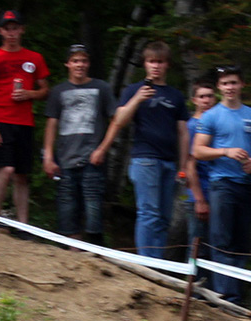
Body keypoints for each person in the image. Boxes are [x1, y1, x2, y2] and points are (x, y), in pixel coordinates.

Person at [94, 41, 190, 259]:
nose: (156, 66)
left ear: (167, 64)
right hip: (145, 158)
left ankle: (157, 263)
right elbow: (119, 120)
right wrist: (137, 98)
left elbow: (183, 133)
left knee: (164, 217)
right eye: (151, 61)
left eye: (160, 62)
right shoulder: (133, 90)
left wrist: (183, 166)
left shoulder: (175, 96)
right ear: (145, 64)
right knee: (149, 213)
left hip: (169, 161)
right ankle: (146, 262)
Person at [191, 66, 251, 302]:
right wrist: (226, 151)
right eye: (225, 83)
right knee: (221, 240)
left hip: (246, 183)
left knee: (241, 241)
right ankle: (226, 297)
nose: (230, 88)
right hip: (221, 183)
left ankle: (235, 297)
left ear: (242, 84)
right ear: (219, 87)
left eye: (233, 83)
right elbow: (198, 150)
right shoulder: (211, 115)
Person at [0, 10, 50, 223]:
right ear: (0, 31)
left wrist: (30, 94)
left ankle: (23, 224)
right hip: (0, 120)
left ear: (21, 30)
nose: (11, 33)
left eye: (15, 29)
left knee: (21, 174)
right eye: (7, 29)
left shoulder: (34, 58)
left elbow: (45, 90)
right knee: (5, 168)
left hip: (25, 122)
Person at [42, 44, 114, 242]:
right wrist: (48, 156)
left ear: (89, 63)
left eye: (83, 60)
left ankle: (94, 249)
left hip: (93, 156)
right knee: (66, 205)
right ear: (67, 64)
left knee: (93, 205)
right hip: (65, 157)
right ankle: (70, 248)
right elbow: (51, 124)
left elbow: (115, 120)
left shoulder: (102, 88)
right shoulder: (58, 91)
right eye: (75, 61)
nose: (79, 65)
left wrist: (103, 148)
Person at [175, 81, 219, 265]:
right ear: (194, 100)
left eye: (209, 96)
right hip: (197, 192)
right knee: (197, 243)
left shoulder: (218, 123)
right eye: (202, 96)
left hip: (217, 190)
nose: (206, 100)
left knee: (214, 244)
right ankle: (192, 280)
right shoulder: (192, 126)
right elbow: (189, 163)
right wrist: (199, 199)